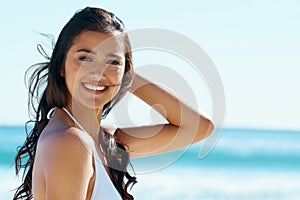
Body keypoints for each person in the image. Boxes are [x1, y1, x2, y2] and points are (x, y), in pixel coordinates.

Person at [14, 7, 214, 200]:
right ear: (61, 66)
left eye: (112, 62)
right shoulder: (71, 142)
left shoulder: (101, 140)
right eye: (85, 58)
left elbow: (197, 127)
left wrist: (124, 76)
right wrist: (117, 68)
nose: (98, 73)